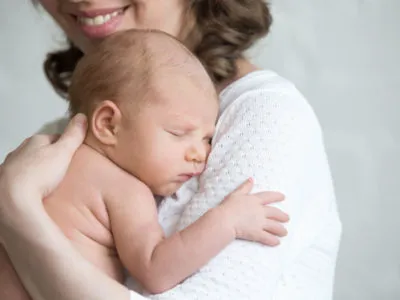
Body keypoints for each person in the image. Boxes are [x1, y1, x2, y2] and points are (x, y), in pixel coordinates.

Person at [0, 1, 342, 300]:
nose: (200, 154)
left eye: (208, 139)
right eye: (179, 133)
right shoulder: (118, 182)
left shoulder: (266, 114)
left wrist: (17, 208)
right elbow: (155, 266)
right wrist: (227, 220)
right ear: (108, 124)